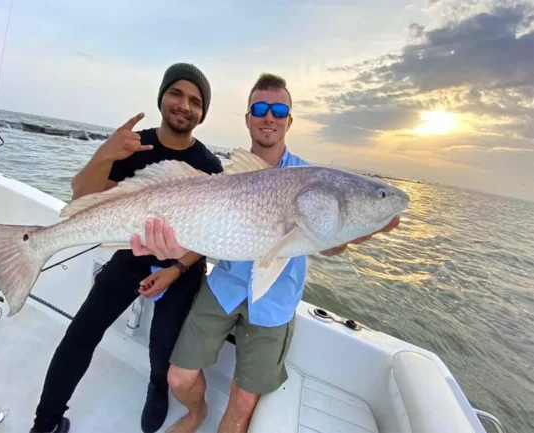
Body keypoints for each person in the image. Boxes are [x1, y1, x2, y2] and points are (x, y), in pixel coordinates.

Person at [131, 73, 400, 433]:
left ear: (289, 120)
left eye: (278, 109)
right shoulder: (224, 174)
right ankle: (197, 415)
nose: (268, 116)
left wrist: (351, 235)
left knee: (243, 402)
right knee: (178, 377)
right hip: (225, 286)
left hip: (276, 299)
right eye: (260, 108)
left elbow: (329, 244)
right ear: (247, 118)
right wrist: (177, 265)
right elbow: (205, 232)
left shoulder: (312, 179)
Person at [28, 63, 224, 433]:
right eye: (176, 93)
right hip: (131, 256)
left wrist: (175, 270)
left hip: (180, 269)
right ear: (162, 96)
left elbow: (210, 236)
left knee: (162, 348)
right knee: (81, 332)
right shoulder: (133, 144)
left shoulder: (209, 165)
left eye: (196, 101)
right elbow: (82, 197)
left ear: (203, 113)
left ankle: (156, 389)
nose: (184, 105)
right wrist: (106, 152)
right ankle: (46, 421)